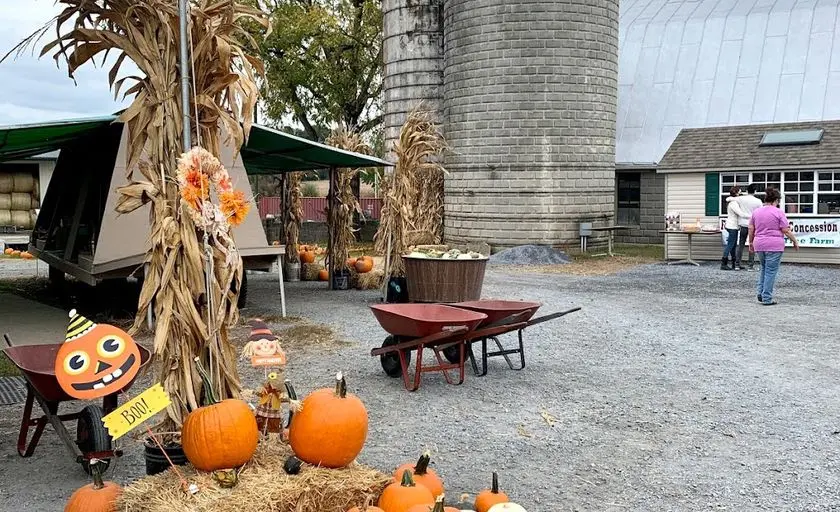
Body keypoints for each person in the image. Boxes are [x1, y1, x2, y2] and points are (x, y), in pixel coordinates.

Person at [748, 187, 799, 305]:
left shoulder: (756, 212)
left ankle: (760, 293)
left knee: (764, 269)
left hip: (759, 243)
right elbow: (785, 230)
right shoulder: (778, 212)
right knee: (770, 271)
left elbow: (751, 228)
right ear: (776, 200)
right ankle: (767, 297)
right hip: (774, 245)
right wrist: (794, 241)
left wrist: (751, 242)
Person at [736, 184, 764, 271]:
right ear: (755, 191)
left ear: (747, 190)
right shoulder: (758, 201)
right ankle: (750, 266)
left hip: (743, 224)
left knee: (741, 244)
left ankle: (737, 264)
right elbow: (760, 213)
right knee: (752, 244)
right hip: (753, 225)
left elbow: (731, 199)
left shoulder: (741, 199)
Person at [721, 186, 747, 270]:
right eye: (739, 192)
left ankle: (733, 263)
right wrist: (751, 215)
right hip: (732, 226)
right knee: (730, 244)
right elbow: (741, 214)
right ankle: (723, 263)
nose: (741, 193)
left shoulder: (733, 202)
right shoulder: (733, 204)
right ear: (736, 193)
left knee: (733, 245)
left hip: (732, 225)